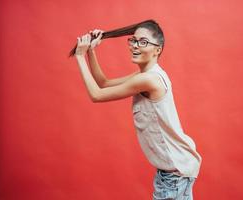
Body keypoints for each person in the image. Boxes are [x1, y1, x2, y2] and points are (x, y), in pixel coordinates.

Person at [74, 20, 202, 200]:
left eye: (143, 42)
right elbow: (104, 83)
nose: (135, 46)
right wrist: (91, 51)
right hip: (179, 167)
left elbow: (96, 94)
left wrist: (80, 56)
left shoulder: (148, 80)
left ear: (158, 49)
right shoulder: (146, 75)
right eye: (133, 41)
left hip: (174, 174)